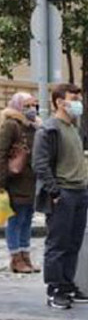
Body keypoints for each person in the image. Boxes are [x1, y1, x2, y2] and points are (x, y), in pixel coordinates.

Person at [33, 83, 88, 309]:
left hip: (79, 192)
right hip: (63, 194)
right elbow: (40, 164)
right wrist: (54, 191)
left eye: (79, 97)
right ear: (59, 101)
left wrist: (86, 186)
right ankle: (54, 289)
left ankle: (68, 284)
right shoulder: (49, 129)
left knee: (73, 243)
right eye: (73, 98)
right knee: (57, 244)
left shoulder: (73, 128)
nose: (78, 102)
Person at [0, 93, 40, 273]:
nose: (32, 109)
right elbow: (2, 152)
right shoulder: (11, 125)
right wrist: (3, 180)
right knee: (16, 220)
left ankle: (26, 255)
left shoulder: (34, 126)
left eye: (34, 105)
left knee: (27, 220)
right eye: (28, 105)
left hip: (31, 181)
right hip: (15, 181)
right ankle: (16, 258)